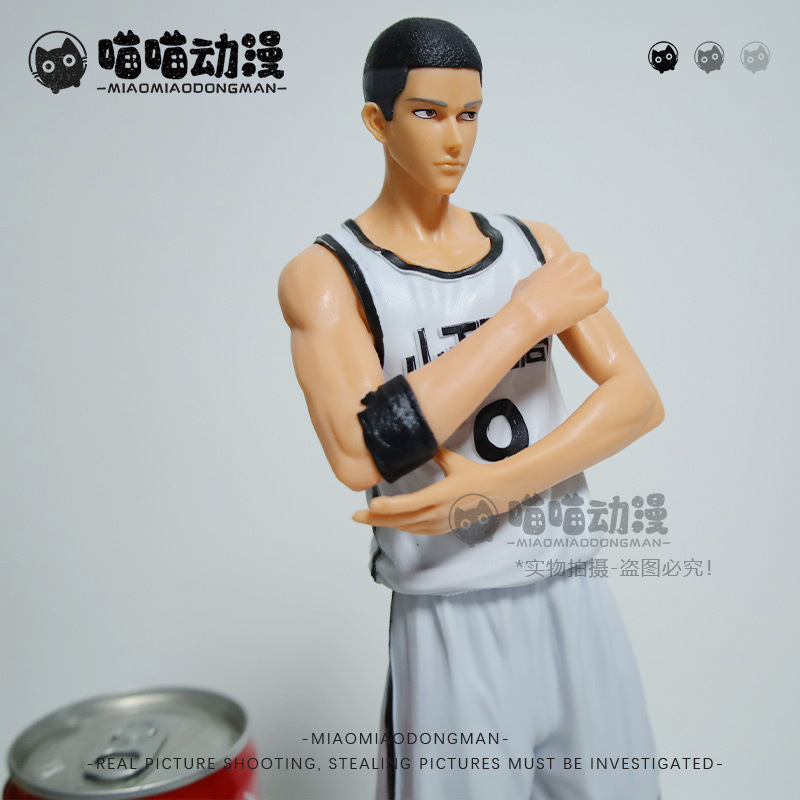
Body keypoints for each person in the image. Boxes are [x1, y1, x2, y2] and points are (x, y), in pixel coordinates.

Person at [278, 17, 664, 800]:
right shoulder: (330, 274)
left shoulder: (533, 244)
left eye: (470, 114)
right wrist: (522, 319)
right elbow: (361, 448)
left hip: (572, 588)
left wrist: (501, 484)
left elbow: (638, 399)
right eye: (428, 113)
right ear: (377, 120)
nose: (454, 139)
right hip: (451, 609)